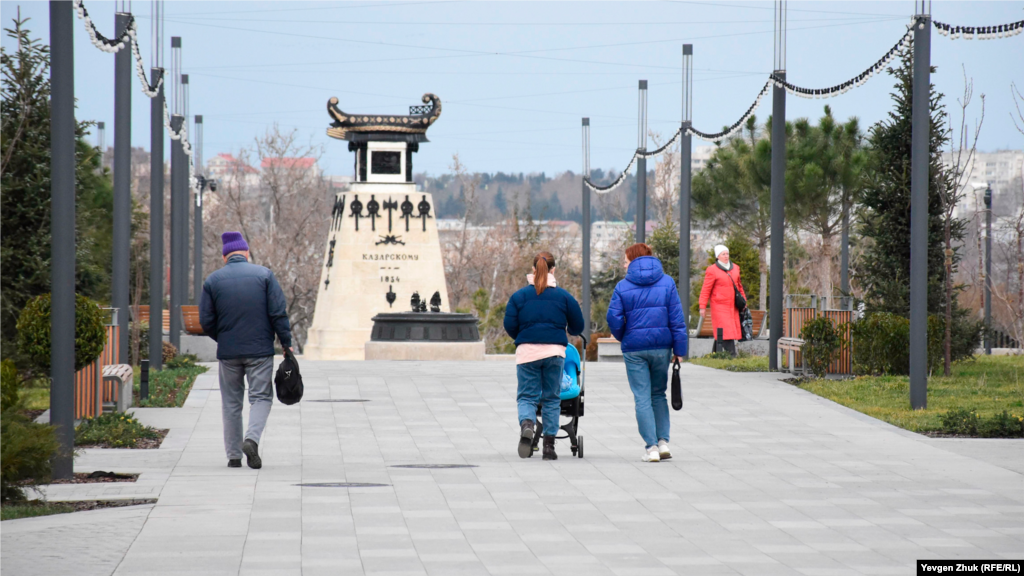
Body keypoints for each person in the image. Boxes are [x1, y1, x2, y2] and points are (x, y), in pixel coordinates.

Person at [200, 232, 292, 469]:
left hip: (228, 353)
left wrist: (224, 338)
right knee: (260, 397)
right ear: (246, 253)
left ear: (224, 257)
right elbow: (278, 312)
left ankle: (233, 457)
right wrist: (285, 342)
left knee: (231, 403)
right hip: (259, 351)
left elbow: (206, 321)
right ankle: (251, 439)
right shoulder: (264, 275)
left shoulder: (212, 281)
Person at [606, 243, 688, 463]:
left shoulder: (622, 286)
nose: (624, 265)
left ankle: (651, 448)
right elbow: (677, 319)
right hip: (662, 347)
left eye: (625, 261)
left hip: (634, 349)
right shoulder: (667, 282)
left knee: (642, 396)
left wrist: (624, 335)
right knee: (658, 394)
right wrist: (679, 349)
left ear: (633, 261)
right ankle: (663, 443)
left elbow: (613, 318)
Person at [503, 252, 585, 461]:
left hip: (527, 353)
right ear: (553, 270)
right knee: (551, 398)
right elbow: (578, 326)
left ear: (533, 269)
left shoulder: (519, 297)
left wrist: (524, 337)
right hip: (554, 353)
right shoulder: (564, 297)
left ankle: (528, 425)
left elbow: (509, 325)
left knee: (527, 396)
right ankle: (549, 447)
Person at [698, 244, 747, 357]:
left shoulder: (735, 268)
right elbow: (705, 289)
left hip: (733, 306)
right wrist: (702, 306)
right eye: (723, 254)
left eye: (727, 254)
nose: (726, 256)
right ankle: (732, 355)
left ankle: (715, 355)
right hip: (719, 306)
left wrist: (744, 301)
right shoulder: (712, 270)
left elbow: (739, 287)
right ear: (717, 256)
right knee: (726, 330)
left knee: (724, 330)